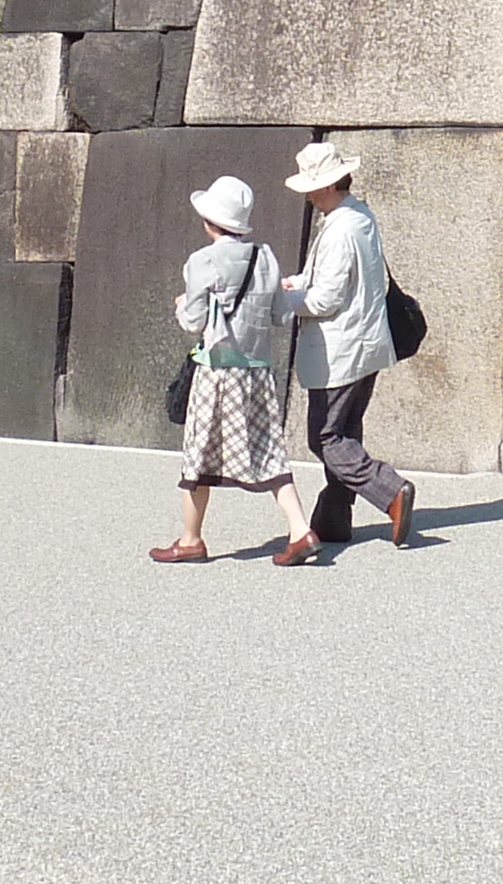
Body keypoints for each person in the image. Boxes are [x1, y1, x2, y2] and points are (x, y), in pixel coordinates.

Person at [155, 175, 318, 568]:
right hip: (259, 374)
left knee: (198, 455)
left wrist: (184, 303)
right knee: (269, 452)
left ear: (211, 222)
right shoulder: (266, 257)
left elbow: (192, 321)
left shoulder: (202, 261)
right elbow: (281, 313)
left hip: (218, 373)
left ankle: (191, 539)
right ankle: (300, 530)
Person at [274, 140, 413, 547]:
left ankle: (390, 491)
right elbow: (337, 282)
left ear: (329, 185)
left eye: (312, 188)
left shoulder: (339, 228)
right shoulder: (359, 216)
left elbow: (325, 299)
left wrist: (285, 299)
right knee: (346, 432)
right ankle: (334, 518)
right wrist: (298, 283)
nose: (309, 196)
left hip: (341, 350)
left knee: (326, 437)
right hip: (366, 344)